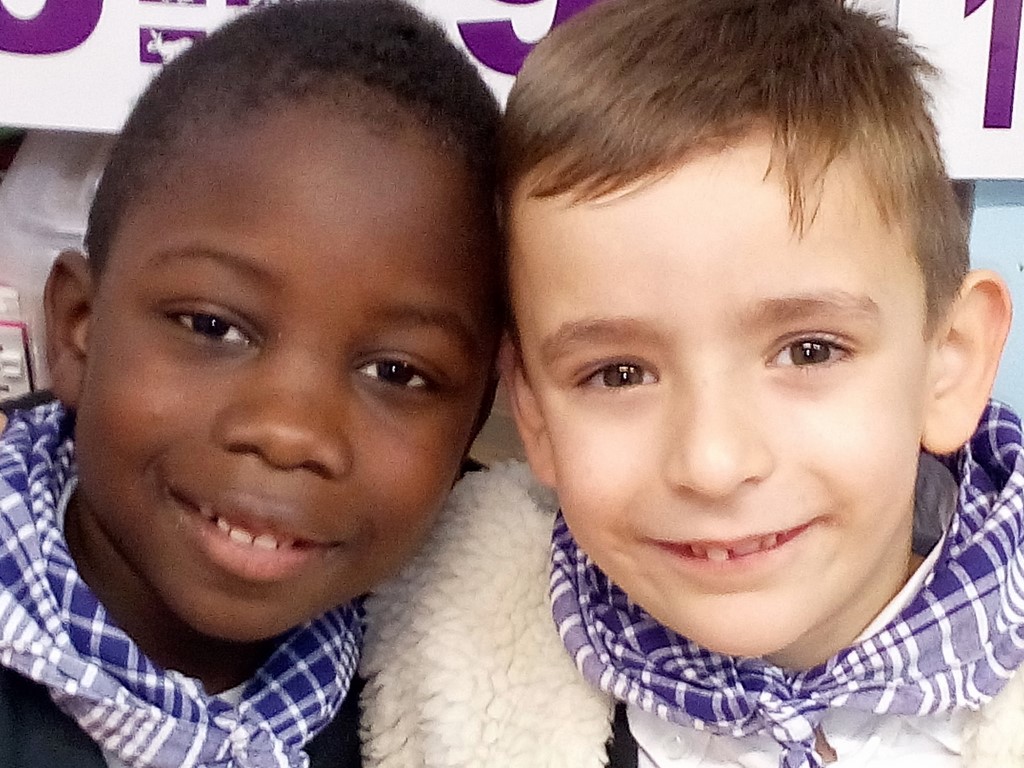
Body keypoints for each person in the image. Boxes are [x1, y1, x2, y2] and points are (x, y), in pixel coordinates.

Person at [358, 0, 1024, 766]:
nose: (712, 463)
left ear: (949, 363)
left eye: (808, 351)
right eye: (619, 374)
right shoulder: (431, 658)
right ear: (532, 411)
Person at [0, 1, 503, 766]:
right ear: (78, 329)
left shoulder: (464, 699)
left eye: (396, 372)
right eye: (213, 327)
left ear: (471, 424)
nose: (289, 432)